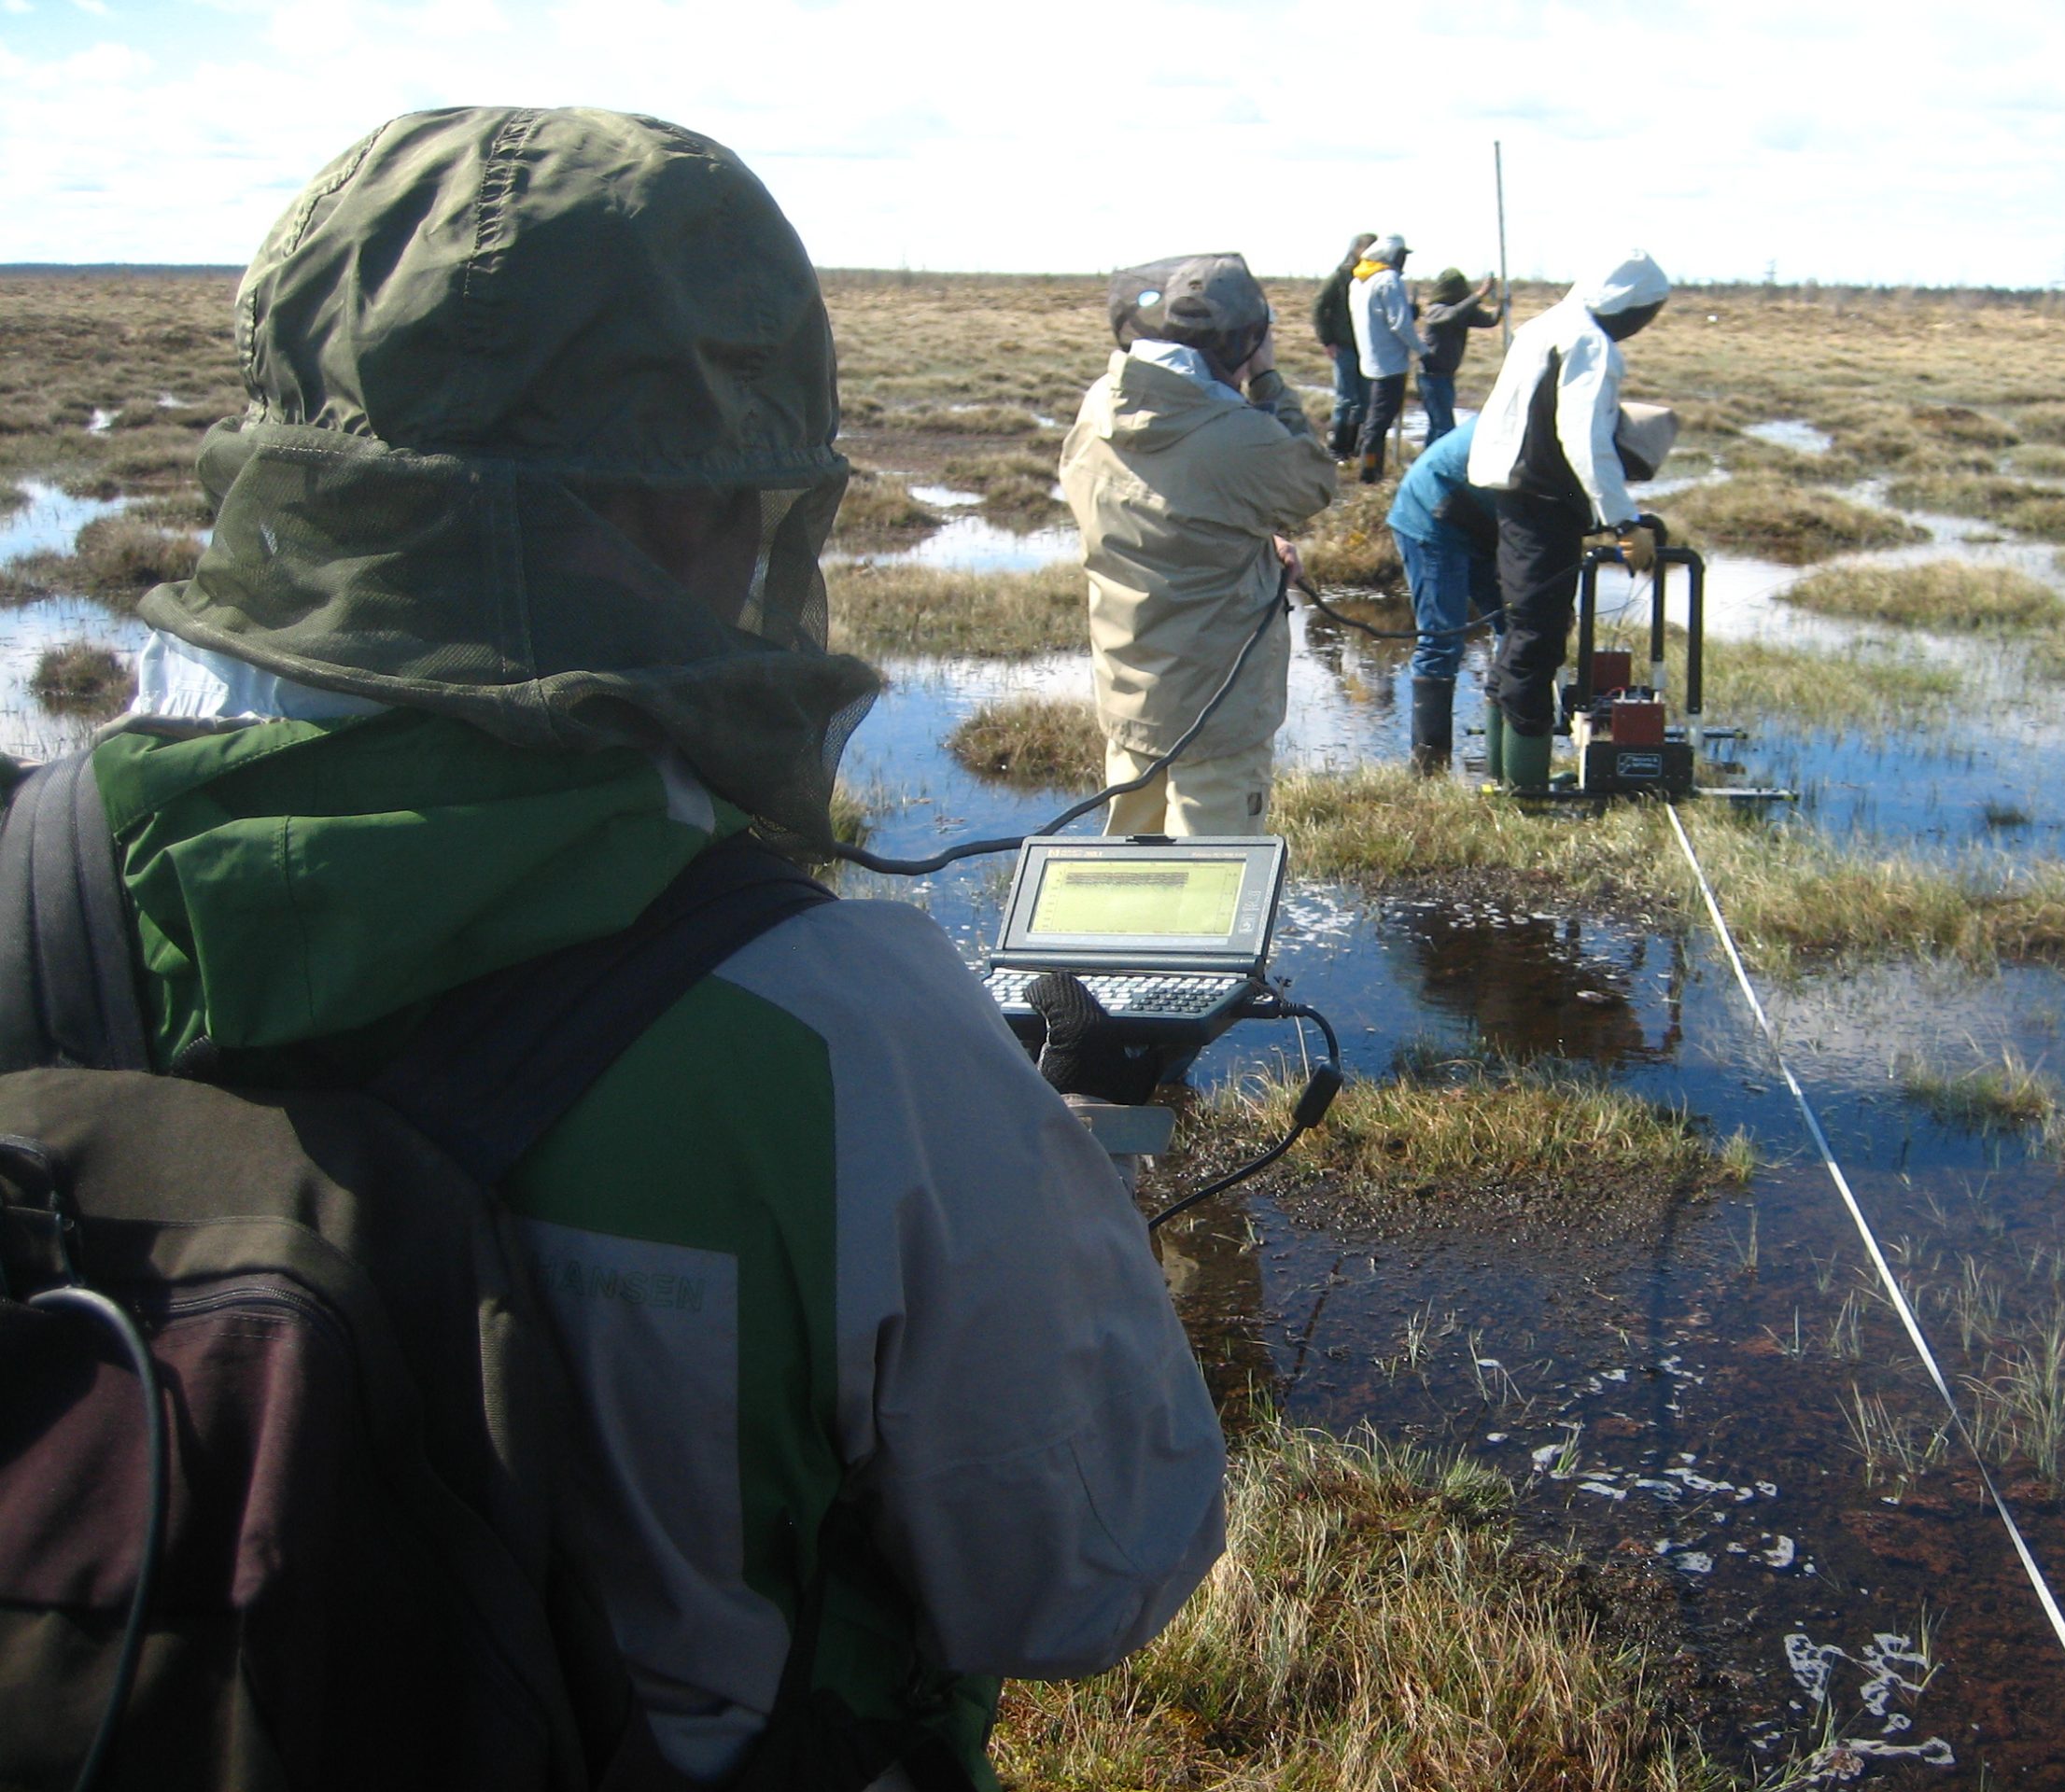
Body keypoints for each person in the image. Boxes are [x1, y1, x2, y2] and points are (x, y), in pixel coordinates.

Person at [87, 107, 1227, 1789]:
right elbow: (1092, 1570)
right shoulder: (846, 1027)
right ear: (694, 509)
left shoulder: (42, 878)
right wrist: (1064, 1162)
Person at [1060, 253, 1341, 837]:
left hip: (1129, 701)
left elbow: (1164, 514)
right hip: (1217, 718)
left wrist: (1250, 542)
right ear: (1244, 340)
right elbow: (1312, 480)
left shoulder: (1102, 404)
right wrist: (1267, 380)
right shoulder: (1237, 437)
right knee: (1214, 896)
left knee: (1128, 884)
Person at [1467, 250, 1671, 791]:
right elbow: (1583, 439)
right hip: (1540, 502)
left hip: (1513, 494)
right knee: (1538, 636)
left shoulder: (1547, 325)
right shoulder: (1588, 342)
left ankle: (1503, 772)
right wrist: (1625, 522)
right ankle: (1524, 786)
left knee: (1521, 630)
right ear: (1632, 306)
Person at [1387, 414, 1498, 772]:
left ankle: (1504, 749)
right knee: (1442, 637)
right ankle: (1429, 763)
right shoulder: (1537, 425)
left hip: (1476, 518)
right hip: (1431, 514)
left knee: (1516, 625)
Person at [1345, 233, 1426, 483]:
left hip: (1370, 361)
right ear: (1391, 255)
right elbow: (1399, 324)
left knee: (1374, 421)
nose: (1404, 261)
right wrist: (1423, 350)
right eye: (1402, 256)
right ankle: (1369, 473)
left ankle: (1369, 466)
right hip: (1390, 364)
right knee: (1378, 425)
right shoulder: (1388, 280)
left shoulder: (1359, 280)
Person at [1416, 268, 1504, 446]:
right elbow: (1452, 316)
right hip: (1430, 376)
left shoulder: (1463, 312)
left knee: (1438, 426)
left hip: (1446, 376)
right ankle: (1437, 466)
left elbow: (1489, 320)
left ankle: (1426, 462)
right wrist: (1480, 294)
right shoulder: (1436, 310)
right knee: (1444, 427)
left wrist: (1502, 306)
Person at [1310, 231, 1374, 460]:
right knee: (1346, 399)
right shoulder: (1340, 277)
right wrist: (1327, 340)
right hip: (1344, 347)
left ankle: (1355, 446)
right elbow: (1318, 308)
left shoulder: (1372, 277)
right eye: (1367, 248)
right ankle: (1337, 448)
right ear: (1356, 249)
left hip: (1366, 348)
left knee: (1365, 401)